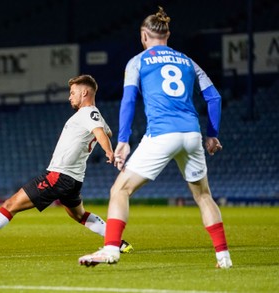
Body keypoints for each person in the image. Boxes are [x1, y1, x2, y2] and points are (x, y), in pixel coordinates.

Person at [79, 7, 232, 268]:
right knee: (204, 196)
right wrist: (212, 135)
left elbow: (129, 100)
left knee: (120, 190)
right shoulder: (188, 61)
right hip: (192, 134)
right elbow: (214, 97)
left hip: (162, 133)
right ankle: (224, 257)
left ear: (143, 36)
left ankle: (111, 250)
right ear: (168, 34)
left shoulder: (137, 61)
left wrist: (124, 140)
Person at [0, 75, 133, 254]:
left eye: (72, 92)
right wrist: (100, 138)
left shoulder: (88, 113)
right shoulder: (93, 114)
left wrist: (108, 151)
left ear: (84, 93)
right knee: (79, 215)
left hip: (59, 176)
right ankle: (117, 241)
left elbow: (101, 133)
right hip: (74, 179)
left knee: (11, 204)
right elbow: (106, 132)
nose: (69, 97)